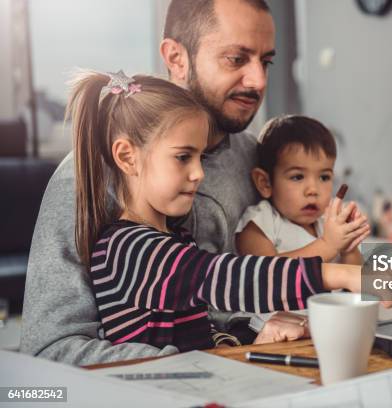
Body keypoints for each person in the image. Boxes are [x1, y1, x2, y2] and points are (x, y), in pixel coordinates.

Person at [19, 0, 305, 364]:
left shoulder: (258, 159)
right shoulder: (91, 171)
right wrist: (207, 362)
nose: (259, 81)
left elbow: (321, 240)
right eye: (236, 59)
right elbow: (50, 350)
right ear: (176, 56)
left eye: (266, 62)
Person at [67, 70, 370, 352]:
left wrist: (250, 342)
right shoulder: (126, 248)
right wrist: (339, 274)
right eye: (183, 157)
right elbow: (224, 278)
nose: (199, 172)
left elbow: (198, 334)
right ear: (127, 157)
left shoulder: (177, 238)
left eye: (199, 157)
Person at [235, 115, 369, 265]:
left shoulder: (326, 223)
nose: (313, 190)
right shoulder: (261, 223)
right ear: (265, 183)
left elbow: (357, 275)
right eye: (297, 177)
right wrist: (327, 245)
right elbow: (265, 272)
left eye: (324, 177)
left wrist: (348, 247)